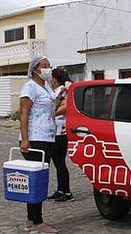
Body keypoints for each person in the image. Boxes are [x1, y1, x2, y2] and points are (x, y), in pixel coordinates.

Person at [19, 55, 62, 234]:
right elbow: (24, 112)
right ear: (35, 68)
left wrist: (59, 97)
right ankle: (37, 221)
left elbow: (51, 111)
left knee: (40, 178)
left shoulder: (45, 87)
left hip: (48, 137)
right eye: (44, 66)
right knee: (37, 180)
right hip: (35, 138)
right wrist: (25, 139)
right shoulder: (29, 87)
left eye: (49, 66)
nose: (48, 69)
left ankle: (32, 219)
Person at [47, 67, 74, 202]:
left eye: (51, 77)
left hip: (60, 132)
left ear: (55, 79)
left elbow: (65, 107)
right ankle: (60, 189)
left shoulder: (64, 90)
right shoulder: (55, 91)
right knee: (57, 162)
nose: (49, 79)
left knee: (60, 162)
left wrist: (51, 112)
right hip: (54, 131)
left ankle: (67, 192)